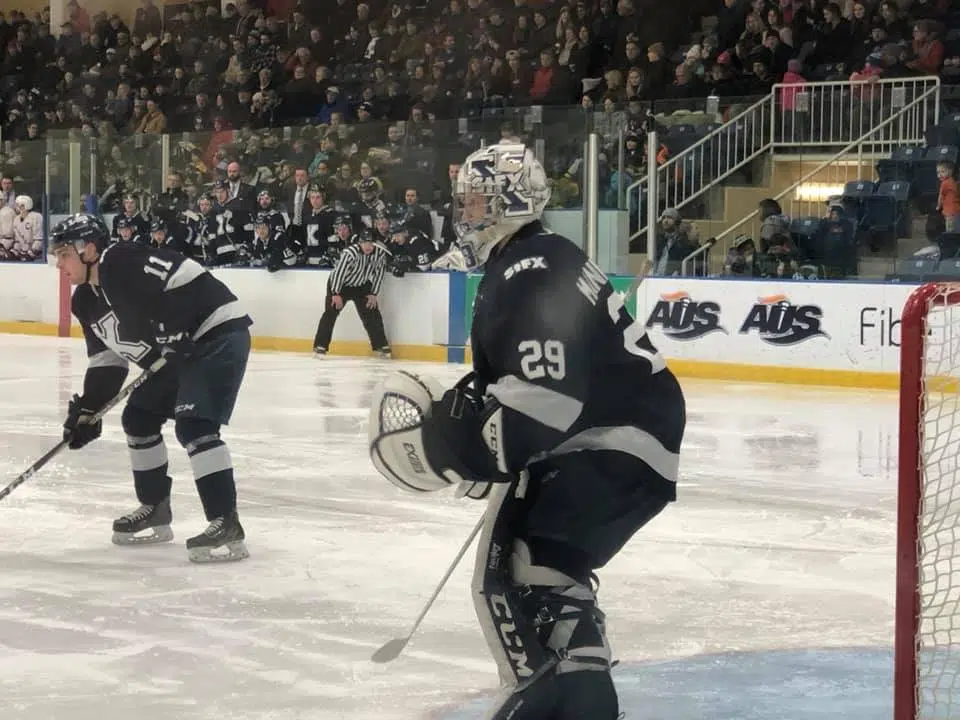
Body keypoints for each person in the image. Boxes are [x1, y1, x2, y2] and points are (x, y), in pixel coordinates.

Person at [367, 143, 685, 718]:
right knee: (546, 573)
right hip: (627, 439)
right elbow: (533, 381)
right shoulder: (539, 258)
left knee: (526, 574)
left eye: (475, 200)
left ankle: (554, 702)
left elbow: (545, 400)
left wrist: (459, 449)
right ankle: (581, 701)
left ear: (507, 202)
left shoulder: (528, 267)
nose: (464, 212)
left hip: (607, 444)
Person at [49, 213, 252, 563]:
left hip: (215, 336)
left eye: (64, 254)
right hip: (176, 352)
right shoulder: (85, 300)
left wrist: (174, 329)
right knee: (139, 417)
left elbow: (186, 273)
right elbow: (107, 361)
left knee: (195, 425)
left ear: (90, 249)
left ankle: (226, 521)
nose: (59, 265)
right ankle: (155, 507)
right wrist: (89, 410)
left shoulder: (121, 260)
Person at [312, 229, 392, 358]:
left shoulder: (380, 254)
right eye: (365, 243)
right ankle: (320, 345)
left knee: (372, 314)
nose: (368, 246)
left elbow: (379, 273)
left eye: (371, 243)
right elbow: (339, 273)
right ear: (359, 243)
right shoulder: (350, 253)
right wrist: (335, 293)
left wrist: (373, 293)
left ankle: (380, 345)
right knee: (330, 313)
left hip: (361, 285)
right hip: (341, 285)